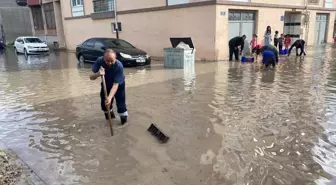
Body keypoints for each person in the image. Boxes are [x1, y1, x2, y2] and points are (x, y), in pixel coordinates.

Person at [90, 49, 128, 125]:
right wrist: (98, 74)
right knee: (105, 106)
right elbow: (91, 77)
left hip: (118, 86)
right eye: (107, 61)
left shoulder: (119, 66)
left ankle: (124, 125)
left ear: (115, 57)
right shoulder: (99, 61)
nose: (110, 63)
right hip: (106, 85)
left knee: (121, 106)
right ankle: (111, 122)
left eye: (112, 61)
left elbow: (115, 85)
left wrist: (109, 98)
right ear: (103, 58)